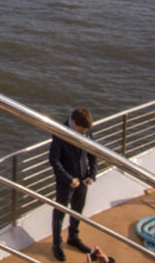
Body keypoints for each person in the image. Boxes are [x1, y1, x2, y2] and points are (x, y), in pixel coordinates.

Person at [49, 107, 98, 261]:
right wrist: (68, 179)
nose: (83, 133)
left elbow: (93, 152)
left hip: (83, 179)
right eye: (81, 130)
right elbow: (54, 160)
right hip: (65, 182)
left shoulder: (86, 131)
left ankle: (73, 237)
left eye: (85, 131)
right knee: (60, 212)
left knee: (77, 209)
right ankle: (57, 244)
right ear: (74, 122)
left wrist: (91, 175)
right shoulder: (60, 132)